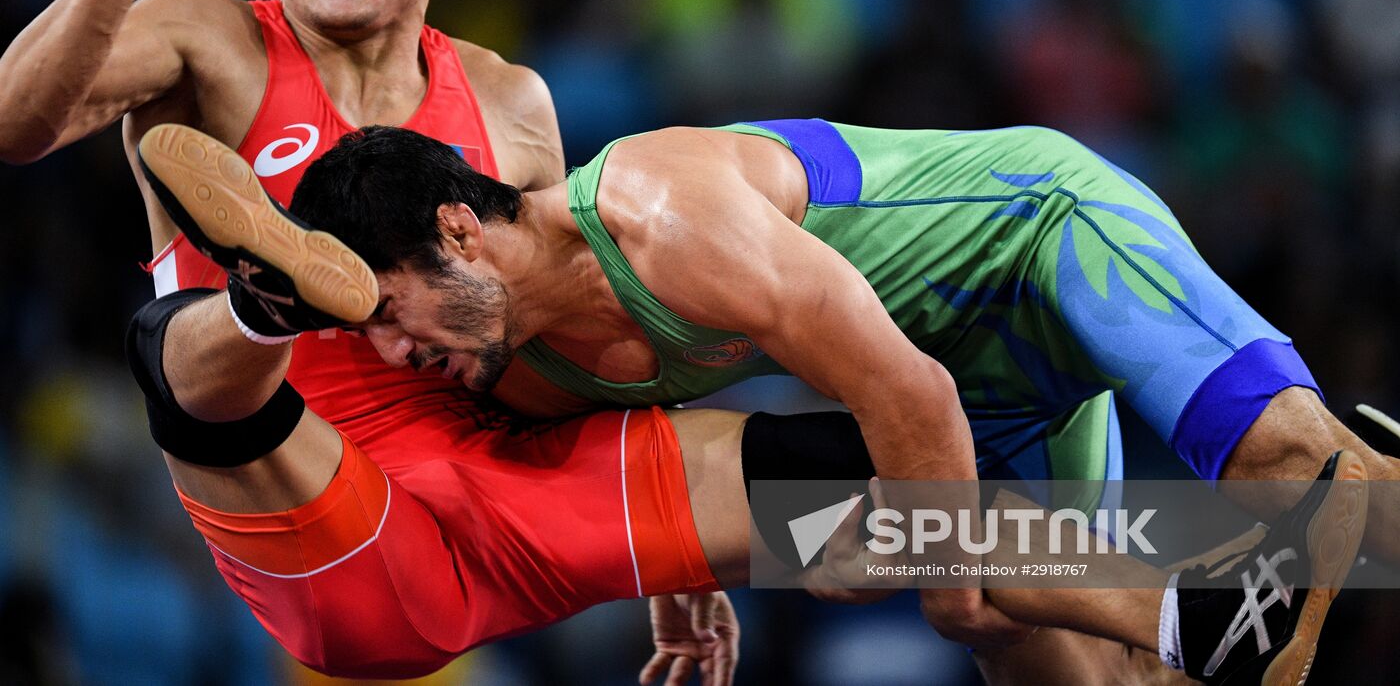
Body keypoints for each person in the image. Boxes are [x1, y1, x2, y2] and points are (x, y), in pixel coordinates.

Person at [135, 118, 1372, 686]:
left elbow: (903, 388)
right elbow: (649, 469)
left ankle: (1297, 531)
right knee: (1089, 670)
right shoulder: (509, 363)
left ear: (461, 229)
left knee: (1280, 461)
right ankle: (1204, 607)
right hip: (971, 389)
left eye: (392, 314)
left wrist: (942, 583)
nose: (396, 358)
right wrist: (690, 599)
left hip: (1042, 244)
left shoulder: (662, 215)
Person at [0, 0, 749, 682]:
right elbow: (16, 126)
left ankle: (966, 573)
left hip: (504, 504)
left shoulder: (511, 103)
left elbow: (569, 329)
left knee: (884, 508)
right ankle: (273, 297)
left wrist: (685, 554)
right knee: (177, 359)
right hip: (324, 514)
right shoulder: (213, 36)